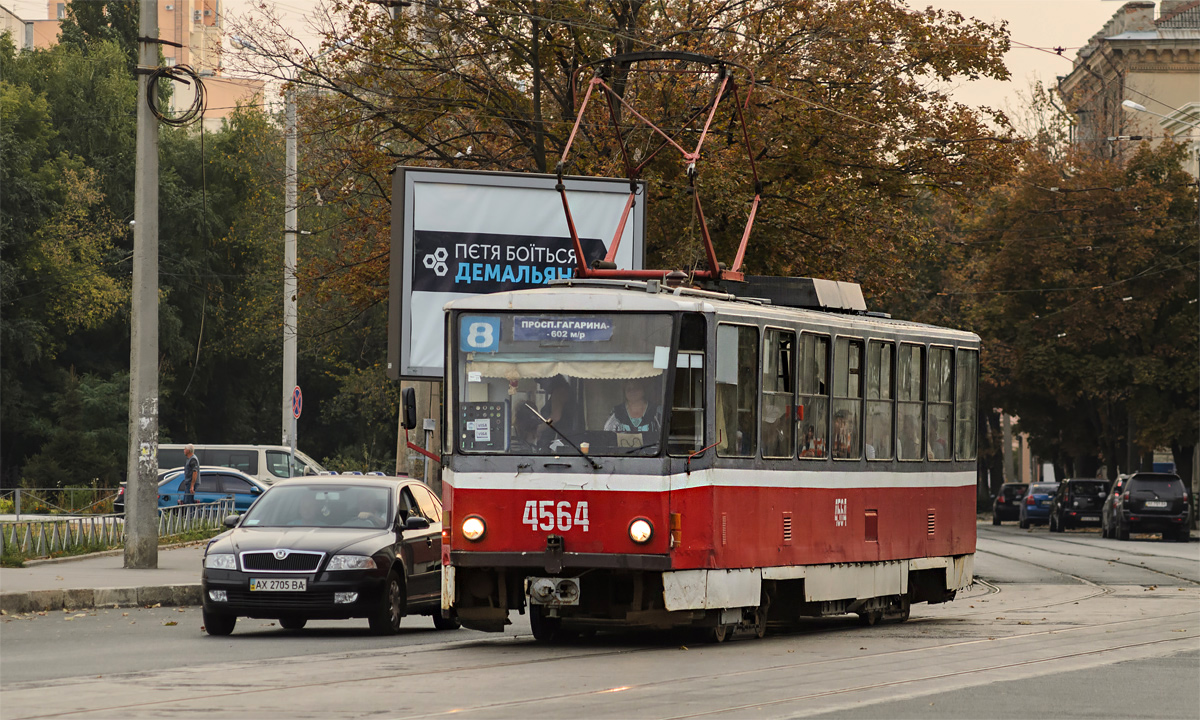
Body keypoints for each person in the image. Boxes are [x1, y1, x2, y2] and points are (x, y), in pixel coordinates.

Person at [538, 376, 582, 448]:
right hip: (567, 436)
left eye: (542, 383)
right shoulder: (566, 390)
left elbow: (555, 417)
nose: (541, 387)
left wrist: (540, 428)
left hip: (562, 437)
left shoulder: (559, 392)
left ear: (550, 380)